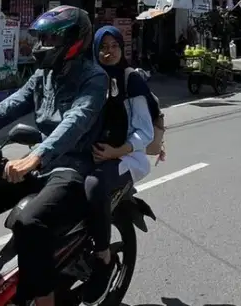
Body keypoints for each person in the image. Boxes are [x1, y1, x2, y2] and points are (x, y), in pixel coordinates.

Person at [0, 5, 107, 306]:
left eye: (52, 40)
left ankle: (44, 298)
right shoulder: (43, 74)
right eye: (42, 40)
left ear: (74, 41)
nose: (43, 47)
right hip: (39, 162)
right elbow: (9, 106)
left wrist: (37, 155)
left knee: (29, 222)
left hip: (71, 166)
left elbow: (76, 121)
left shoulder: (94, 78)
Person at [79, 25, 157, 304]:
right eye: (102, 46)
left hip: (126, 157)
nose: (108, 51)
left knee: (94, 185)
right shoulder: (91, 79)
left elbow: (145, 132)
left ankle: (103, 255)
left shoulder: (131, 80)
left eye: (113, 46)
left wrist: (116, 152)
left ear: (122, 49)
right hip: (93, 153)